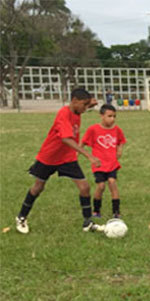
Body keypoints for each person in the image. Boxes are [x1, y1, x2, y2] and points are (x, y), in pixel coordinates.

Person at [14, 88, 103, 234]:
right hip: (49, 157)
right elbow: (66, 138)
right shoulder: (64, 114)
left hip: (67, 158)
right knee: (38, 187)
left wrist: (90, 104)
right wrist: (89, 155)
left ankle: (88, 222)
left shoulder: (77, 110)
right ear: (74, 101)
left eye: (88, 105)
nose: (86, 108)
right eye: (84, 104)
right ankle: (21, 217)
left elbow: (84, 107)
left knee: (85, 187)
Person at [81, 104, 126, 219]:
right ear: (101, 116)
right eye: (109, 116)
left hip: (112, 163)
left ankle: (116, 212)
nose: (112, 119)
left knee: (112, 182)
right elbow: (82, 143)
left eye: (114, 116)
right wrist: (78, 155)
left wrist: (119, 150)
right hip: (99, 164)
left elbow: (121, 140)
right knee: (101, 186)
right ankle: (96, 210)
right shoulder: (93, 129)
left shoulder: (117, 130)